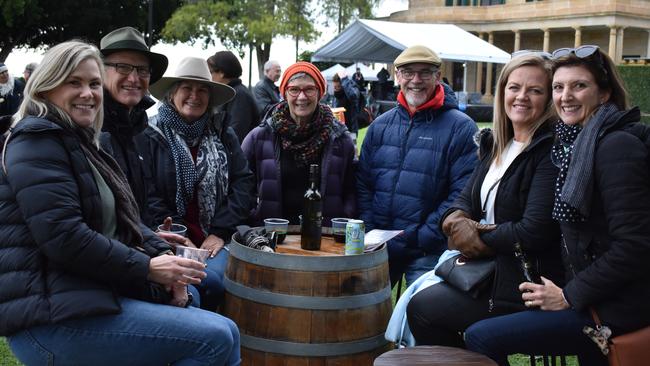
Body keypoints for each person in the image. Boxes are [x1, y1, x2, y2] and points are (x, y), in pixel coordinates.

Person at [0, 40, 240, 365]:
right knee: (216, 338)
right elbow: (65, 238)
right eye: (75, 82)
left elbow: (128, 218)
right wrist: (149, 268)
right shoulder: (36, 141)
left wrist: (164, 255)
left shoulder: (79, 141)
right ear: (45, 88)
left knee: (224, 329)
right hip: (48, 320)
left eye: (94, 84)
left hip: (84, 295)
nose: (88, 93)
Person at [464, 46, 650, 366]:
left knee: (481, 336)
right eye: (558, 87)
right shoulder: (574, 143)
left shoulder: (616, 146)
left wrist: (568, 295)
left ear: (604, 94)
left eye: (579, 86)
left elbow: (635, 245)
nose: (566, 96)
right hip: (594, 296)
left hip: (617, 307)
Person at [406, 54, 564, 347]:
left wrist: (474, 236)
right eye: (514, 87)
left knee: (423, 310)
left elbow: (533, 230)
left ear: (549, 99)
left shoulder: (549, 152)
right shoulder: (497, 146)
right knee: (418, 303)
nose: (522, 97)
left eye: (535, 90)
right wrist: (454, 222)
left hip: (523, 281)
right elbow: (461, 203)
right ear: (503, 90)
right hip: (487, 271)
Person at [357, 45, 478, 287]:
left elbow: (462, 192)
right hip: (378, 246)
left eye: (425, 72)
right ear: (397, 76)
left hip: (426, 250)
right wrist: (371, 229)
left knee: (418, 320)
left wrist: (421, 237)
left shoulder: (461, 128)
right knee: (367, 318)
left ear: (437, 77)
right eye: (408, 72)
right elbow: (363, 183)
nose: (416, 80)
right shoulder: (380, 126)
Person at [142, 56, 255, 310]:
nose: (195, 96)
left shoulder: (223, 133)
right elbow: (148, 196)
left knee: (215, 280)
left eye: (202, 89)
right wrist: (182, 240)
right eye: (187, 89)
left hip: (217, 238)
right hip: (168, 238)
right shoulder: (149, 135)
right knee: (204, 282)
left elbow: (244, 183)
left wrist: (219, 231)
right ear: (172, 95)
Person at [242, 61, 356, 226]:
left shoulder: (340, 139)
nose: (302, 97)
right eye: (294, 89)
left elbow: (351, 191)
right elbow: (241, 188)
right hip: (271, 238)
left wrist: (342, 223)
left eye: (309, 89)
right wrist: (254, 217)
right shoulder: (259, 137)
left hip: (324, 239)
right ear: (284, 93)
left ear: (320, 93)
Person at [99, 26, 169, 227]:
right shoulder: (87, 126)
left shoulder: (141, 128)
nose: (133, 78)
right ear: (100, 71)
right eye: (123, 67)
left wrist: (153, 236)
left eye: (142, 70)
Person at [208, 50, 260, 143]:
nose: (209, 77)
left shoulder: (239, 95)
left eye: (210, 72)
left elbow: (235, 134)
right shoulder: (231, 93)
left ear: (221, 73)